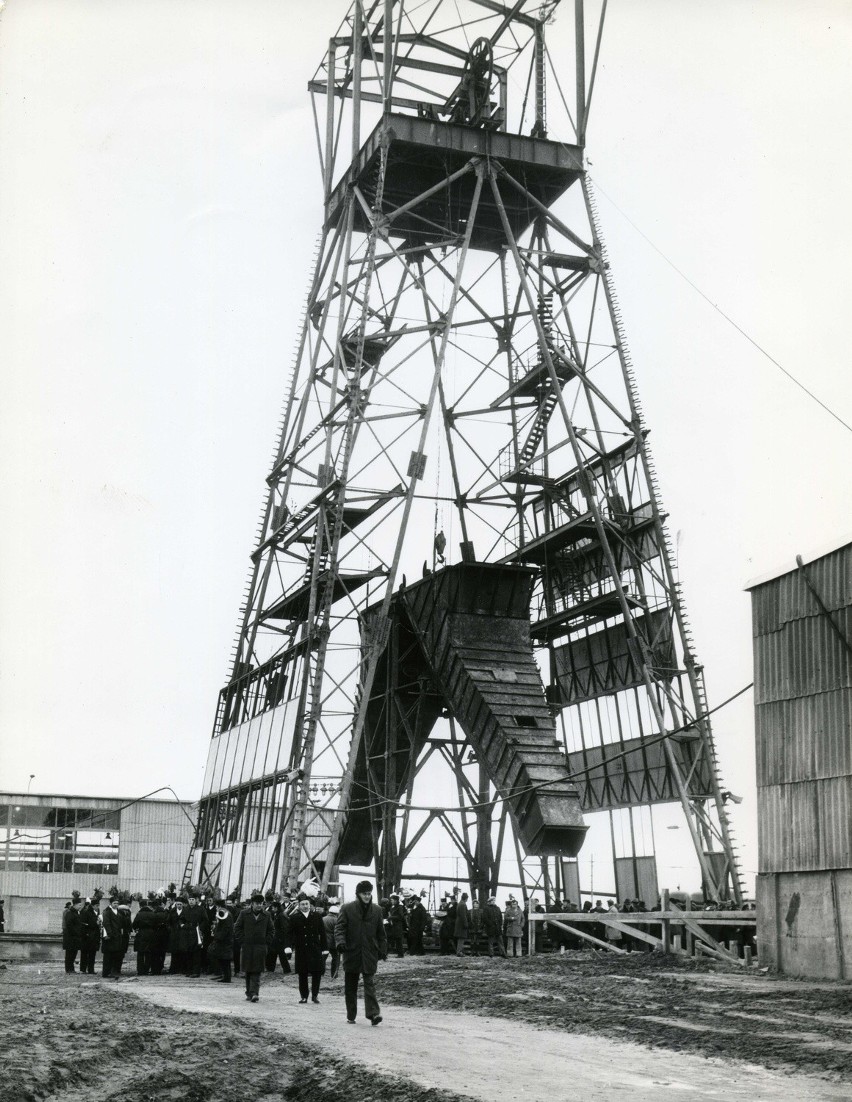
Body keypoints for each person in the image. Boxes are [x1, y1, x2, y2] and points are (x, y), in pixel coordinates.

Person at [335, 880, 387, 1026]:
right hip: (351, 952)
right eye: (365, 893)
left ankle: (373, 1014)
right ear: (358, 894)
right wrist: (340, 942)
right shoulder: (347, 908)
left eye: (369, 893)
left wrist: (382, 949)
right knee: (350, 985)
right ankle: (351, 1014)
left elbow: (381, 933)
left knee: (369, 983)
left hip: (370, 953)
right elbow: (339, 928)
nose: (367, 896)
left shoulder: (377, 910)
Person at [234, 891, 275, 1002]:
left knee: (257, 970)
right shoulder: (244, 913)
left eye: (261, 903)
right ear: (252, 903)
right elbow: (237, 928)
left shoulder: (267, 915)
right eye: (257, 903)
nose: (259, 905)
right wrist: (242, 940)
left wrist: (266, 941)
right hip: (247, 946)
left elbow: (271, 930)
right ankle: (249, 992)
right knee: (248, 970)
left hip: (260, 947)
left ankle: (254, 993)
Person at [291, 894, 328, 1004]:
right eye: (302, 904)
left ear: (310, 904)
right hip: (301, 949)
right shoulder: (294, 918)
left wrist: (324, 948)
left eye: (307, 904)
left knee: (316, 973)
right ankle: (304, 996)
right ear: (299, 905)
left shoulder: (317, 916)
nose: (305, 906)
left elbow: (322, 933)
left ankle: (315, 995)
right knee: (302, 974)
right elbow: (290, 933)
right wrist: (289, 946)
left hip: (315, 949)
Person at [210, 904, 235, 983]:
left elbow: (225, 928)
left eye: (217, 907)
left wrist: (217, 936)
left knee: (225, 960)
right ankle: (225, 976)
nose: (216, 908)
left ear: (219, 906)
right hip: (225, 940)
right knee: (223, 959)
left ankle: (227, 978)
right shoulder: (226, 913)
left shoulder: (225, 914)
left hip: (224, 941)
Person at [132, 897, 158, 975]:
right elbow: (156, 924)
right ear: (147, 905)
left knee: (140, 953)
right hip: (151, 934)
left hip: (141, 934)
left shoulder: (139, 914)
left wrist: (136, 929)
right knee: (148, 953)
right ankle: (146, 970)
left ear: (140, 906)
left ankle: (140, 970)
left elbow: (134, 925)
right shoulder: (152, 913)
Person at [101, 896, 124, 979]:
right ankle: (106, 972)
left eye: (117, 903)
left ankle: (111, 971)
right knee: (108, 956)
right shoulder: (107, 912)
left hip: (117, 936)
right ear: (110, 903)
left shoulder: (118, 912)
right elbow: (106, 924)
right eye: (114, 903)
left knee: (114, 955)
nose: (116, 905)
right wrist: (110, 934)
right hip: (110, 937)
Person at [79, 897, 99, 974]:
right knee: (85, 953)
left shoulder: (96, 912)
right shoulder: (86, 912)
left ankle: (91, 969)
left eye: (98, 905)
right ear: (92, 905)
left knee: (92, 953)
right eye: (96, 905)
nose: (98, 907)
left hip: (94, 936)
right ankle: (83, 969)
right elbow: (83, 924)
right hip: (87, 936)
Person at [62, 898, 82, 973]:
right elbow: (69, 925)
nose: (80, 906)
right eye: (79, 905)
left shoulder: (75, 913)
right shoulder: (70, 913)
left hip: (75, 937)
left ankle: (71, 968)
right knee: (70, 954)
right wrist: (77, 932)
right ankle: (69, 969)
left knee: (73, 953)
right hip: (71, 938)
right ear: (75, 905)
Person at [387, 894, 407, 958]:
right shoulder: (394, 907)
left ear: (396, 900)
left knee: (398, 940)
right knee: (396, 940)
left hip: (398, 926)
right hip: (394, 926)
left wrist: (391, 917)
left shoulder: (399, 907)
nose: (391, 901)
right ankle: (399, 953)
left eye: (392, 900)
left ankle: (400, 954)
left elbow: (400, 916)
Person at [454, 891, 470, 957]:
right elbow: (464, 916)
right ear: (466, 898)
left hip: (459, 923)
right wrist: (466, 924)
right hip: (461, 924)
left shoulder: (460, 903)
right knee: (461, 938)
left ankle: (459, 951)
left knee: (460, 938)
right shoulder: (463, 904)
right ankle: (459, 952)